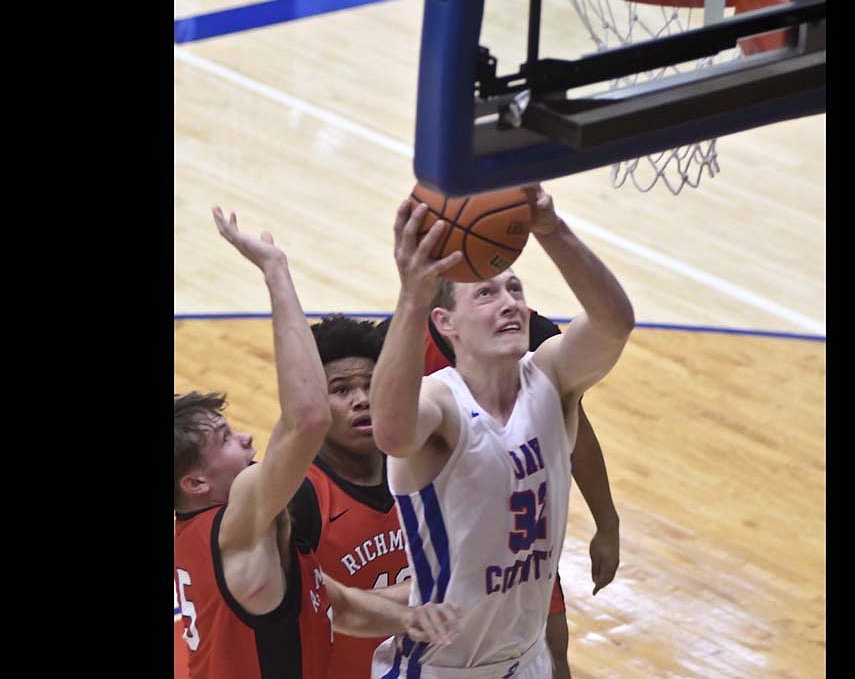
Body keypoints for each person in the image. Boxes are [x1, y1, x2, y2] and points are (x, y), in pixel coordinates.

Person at [173, 207, 461, 679]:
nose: (245, 435)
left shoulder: (231, 538)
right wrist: (276, 272)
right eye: (225, 439)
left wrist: (408, 617)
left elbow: (331, 601)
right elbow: (306, 418)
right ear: (196, 481)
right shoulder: (236, 519)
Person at [370, 184, 635, 678]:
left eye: (515, 289)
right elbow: (392, 433)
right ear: (446, 323)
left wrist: (553, 231)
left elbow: (614, 323)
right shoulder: (442, 403)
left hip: (524, 660)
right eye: (487, 293)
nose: (510, 302)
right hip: (440, 667)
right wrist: (411, 296)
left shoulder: (551, 379)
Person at [374, 307, 621, 679]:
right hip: (440, 529)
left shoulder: (530, 338)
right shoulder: (400, 341)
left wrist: (607, 522)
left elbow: (576, 429)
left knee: (551, 649)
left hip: (523, 534)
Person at [287, 314, 413, 679]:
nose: (362, 400)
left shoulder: (420, 465)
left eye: (371, 386)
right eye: (341, 390)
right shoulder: (299, 495)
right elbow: (317, 606)